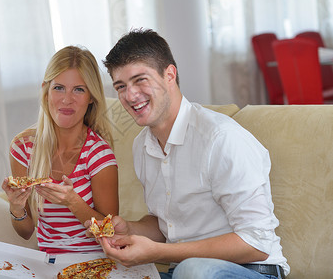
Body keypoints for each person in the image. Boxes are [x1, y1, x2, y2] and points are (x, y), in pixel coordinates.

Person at [94, 29, 289, 279]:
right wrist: (130, 229)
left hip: (252, 271)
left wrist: (159, 252)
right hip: (184, 272)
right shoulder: (142, 145)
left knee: (193, 269)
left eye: (140, 80)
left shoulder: (220, 138)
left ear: (169, 75)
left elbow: (257, 243)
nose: (130, 96)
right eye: (121, 86)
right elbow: (168, 226)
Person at [2, 45, 118, 254]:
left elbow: (109, 233)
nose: (67, 99)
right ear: (46, 91)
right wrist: (16, 208)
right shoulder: (23, 148)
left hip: (93, 265)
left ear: (91, 97)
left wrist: (72, 201)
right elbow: (26, 231)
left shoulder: (99, 155)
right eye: (59, 88)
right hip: (47, 264)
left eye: (79, 90)